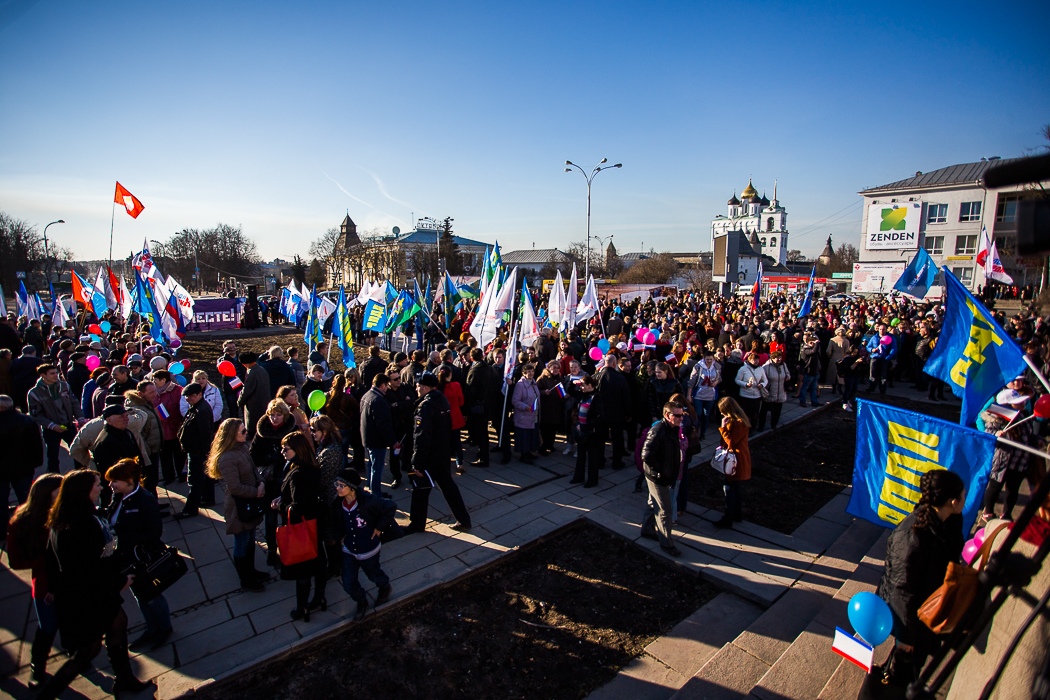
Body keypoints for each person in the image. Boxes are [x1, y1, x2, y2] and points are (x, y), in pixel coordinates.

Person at [38, 470, 151, 699]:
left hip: (89, 591)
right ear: (83, 491)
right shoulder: (82, 524)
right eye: (97, 484)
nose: (101, 488)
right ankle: (48, 694)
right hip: (87, 596)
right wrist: (119, 582)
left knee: (118, 623)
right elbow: (89, 567)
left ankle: (124, 678)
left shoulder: (65, 518)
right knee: (87, 651)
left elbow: (50, 557)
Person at [876, 469, 965, 688]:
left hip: (929, 606)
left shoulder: (950, 520)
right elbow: (901, 590)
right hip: (912, 612)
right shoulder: (911, 536)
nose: (966, 500)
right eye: (964, 496)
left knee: (916, 660)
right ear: (953, 501)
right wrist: (905, 636)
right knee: (905, 665)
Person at [104, 458, 173, 649]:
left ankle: (164, 628)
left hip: (143, 557)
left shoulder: (145, 500)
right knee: (139, 595)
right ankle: (151, 628)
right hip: (127, 558)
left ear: (129, 481)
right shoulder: (119, 497)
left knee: (152, 594)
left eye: (114, 481)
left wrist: (121, 538)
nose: (110, 485)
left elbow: (153, 532)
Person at [6, 473, 63, 688]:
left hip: (68, 580)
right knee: (47, 628)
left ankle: (81, 658)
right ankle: (37, 669)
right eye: (59, 490)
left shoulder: (64, 512)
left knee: (71, 623)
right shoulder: (22, 522)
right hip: (45, 584)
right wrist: (49, 558)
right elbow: (16, 561)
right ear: (46, 495)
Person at [273, 431, 329, 621]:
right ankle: (320, 598)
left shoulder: (297, 473)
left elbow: (297, 506)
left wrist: (279, 505)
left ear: (296, 449)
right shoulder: (312, 465)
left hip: (301, 526)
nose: (283, 452)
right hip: (316, 522)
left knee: (303, 568)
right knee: (319, 561)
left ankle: (302, 608)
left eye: (285, 449)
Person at [406, 373, 472, 533]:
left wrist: (417, 462)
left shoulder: (426, 407)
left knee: (420, 489)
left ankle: (417, 524)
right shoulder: (441, 400)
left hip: (429, 456)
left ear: (425, 387)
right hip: (442, 453)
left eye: (418, 385)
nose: (416, 388)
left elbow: (421, 436)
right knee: (449, 487)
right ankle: (464, 520)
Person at [208, 419, 267, 592]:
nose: (245, 433)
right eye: (242, 432)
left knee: (250, 539)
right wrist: (256, 492)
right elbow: (234, 487)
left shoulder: (242, 448)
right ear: (231, 434)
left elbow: (253, 469)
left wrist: (261, 482)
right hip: (239, 506)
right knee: (241, 541)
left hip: (250, 499)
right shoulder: (226, 458)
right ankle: (245, 578)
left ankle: (252, 571)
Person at [330, 469, 396, 622]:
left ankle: (384, 587)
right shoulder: (337, 504)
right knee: (348, 583)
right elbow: (333, 523)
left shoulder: (368, 501)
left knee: (374, 574)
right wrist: (339, 536)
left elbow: (390, 507)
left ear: (351, 487)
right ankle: (361, 601)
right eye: (336, 484)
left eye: (341, 485)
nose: (337, 488)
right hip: (349, 550)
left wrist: (379, 528)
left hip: (368, 549)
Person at [251, 400, 297, 571]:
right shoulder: (262, 432)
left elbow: (301, 452)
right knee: (270, 520)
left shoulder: (292, 431)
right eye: (272, 415)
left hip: (287, 481)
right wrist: (270, 458)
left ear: (284, 416)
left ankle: (288, 550)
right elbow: (253, 456)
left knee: (287, 519)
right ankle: (271, 550)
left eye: (278, 415)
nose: (274, 418)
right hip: (270, 482)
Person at [640, 402, 685, 556]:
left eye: (682, 415)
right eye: (677, 415)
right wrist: (661, 471)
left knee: (653, 502)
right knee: (665, 509)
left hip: (662, 473)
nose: (681, 419)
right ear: (667, 415)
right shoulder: (658, 430)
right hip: (657, 476)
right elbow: (646, 455)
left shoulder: (673, 428)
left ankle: (646, 529)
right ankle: (666, 543)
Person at [28, 364, 83, 474]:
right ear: (43, 375)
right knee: (53, 457)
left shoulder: (64, 386)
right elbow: (36, 415)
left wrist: (80, 418)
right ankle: (54, 480)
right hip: (51, 429)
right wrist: (52, 426)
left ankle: (80, 475)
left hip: (68, 425)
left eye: (56, 373)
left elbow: (74, 403)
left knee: (78, 452)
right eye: (52, 373)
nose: (56, 375)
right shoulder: (34, 393)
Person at [0, 394, 44, 532]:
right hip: (24, 467)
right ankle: (30, 526)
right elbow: (37, 444)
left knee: (1, 502)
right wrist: (37, 462)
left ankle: (3, 530)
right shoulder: (27, 420)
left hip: (1, 471)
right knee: (26, 499)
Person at [175, 383, 216, 518]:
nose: (189, 399)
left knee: (195, 480)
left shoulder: (201, 410)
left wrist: (205, 450)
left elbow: (205, 432)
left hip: (198, 451)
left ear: (200, 394)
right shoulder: (198, 407)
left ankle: (190, 509)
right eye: (187, 396)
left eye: (192, 396)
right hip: (198, 450)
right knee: (206, 477)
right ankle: (208, 498)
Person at [715, 396, 752, 529]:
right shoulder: (738, 421)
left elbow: (731, 442)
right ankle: (737, 514)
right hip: (736, 458)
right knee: (735, 488)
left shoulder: (739, 423)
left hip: (735, 460)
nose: (721, 414)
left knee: (729, 488)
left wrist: (723, 428)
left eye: (722, 411)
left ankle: (728, 517)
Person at [360, 373, 397, 496]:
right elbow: (383, 425)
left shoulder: (367, 395)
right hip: (376, 440)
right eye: (386, 385)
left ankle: (371, 489)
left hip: (367, 437)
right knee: (377, 467)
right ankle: (375, 493)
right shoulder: (379, 401)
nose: (387, 388)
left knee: (371, 464)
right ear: (382, 385)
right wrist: (392, 441)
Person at [152, 369, 186, 484]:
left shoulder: (177, 390)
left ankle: (182, 474)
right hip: (162, 429)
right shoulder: (154, 392)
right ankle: (168, 476)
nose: (154, 382)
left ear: (163, 380)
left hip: (175, 428)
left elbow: (183, 408)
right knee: (165, 456)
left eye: (155, 380)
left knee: (178, 454)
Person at [464, 348, 491, 467]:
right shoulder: (490, 369)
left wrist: (467, 408)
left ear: (472, 358)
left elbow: (470, 391)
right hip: (487, 405)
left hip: (477, 407)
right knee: (483, 432)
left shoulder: (474, 371)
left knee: (481, 433)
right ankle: (483, 453)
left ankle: (484, 458)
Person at [437, 366, 467, 472]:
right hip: (455, 416)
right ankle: (460, 463)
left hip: (442, 418)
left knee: (444, 442)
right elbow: (461, 402)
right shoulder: (456, 385)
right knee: (457, 441)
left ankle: (444, 463)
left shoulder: (437, 388)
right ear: (450, 374)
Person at [511, 362, 541, 464]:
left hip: (533, 415)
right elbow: (515, 401)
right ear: (524, 373)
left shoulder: (533, 382)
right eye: (528, 371)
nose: (531, 373)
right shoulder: (520, 385)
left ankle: (528, 452)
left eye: (532, 371)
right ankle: (524, 455)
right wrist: (525, 407)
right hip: (524, 416)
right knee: (524, 437)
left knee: (531, 435)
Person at [687, 350, 720, 440]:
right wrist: (689, 394)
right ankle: (695, 432)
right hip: (699, 394)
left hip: (710, 394)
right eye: (707, 359)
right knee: (698, 413)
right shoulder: (698, 366)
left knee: (706, 414)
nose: (709, 361)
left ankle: (703, 433)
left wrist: (715, 382)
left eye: (711, 359)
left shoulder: (716, 366)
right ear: (704, 358)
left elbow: (719, 377)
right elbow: (692, 381)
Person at [536, 360, 566, 456]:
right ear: (549, 368)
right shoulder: (542, 379)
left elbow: (562, 392)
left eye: (557, 368)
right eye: (554, 368)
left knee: (553, 429)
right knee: (545, 429)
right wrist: (544, 392)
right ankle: (543, 447)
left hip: (556, 408)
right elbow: (536, 391)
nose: (556, 370)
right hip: (546, 408)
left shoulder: (560, 379)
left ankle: (551, 445)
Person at [239, 351, 271, 440]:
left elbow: (246, 391)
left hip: (254, 408)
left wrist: (240, 402)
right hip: (264, 405)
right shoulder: (262, 370)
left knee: (253, 434)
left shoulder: (252, 373)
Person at [758, 351, 789, 431]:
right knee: (764, 411)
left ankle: (774, 424)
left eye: (779, 357)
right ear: (772, 358)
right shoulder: (766, 367)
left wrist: (788, 376)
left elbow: (787, 373)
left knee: (777, 411)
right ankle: (761, 426)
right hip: (770, 392)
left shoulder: (784, 365)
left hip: (780, 392)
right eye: (776, 358)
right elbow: (762, 378)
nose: (778, 359)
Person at [798, 333, 823, 407]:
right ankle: (802, 401)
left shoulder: (813, 349)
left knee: (813, 388)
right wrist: (817, 344)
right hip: (809, 371)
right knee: (805, 387)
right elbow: (813, 351)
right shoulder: (806, 349)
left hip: (815, 371)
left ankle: (814, 402)